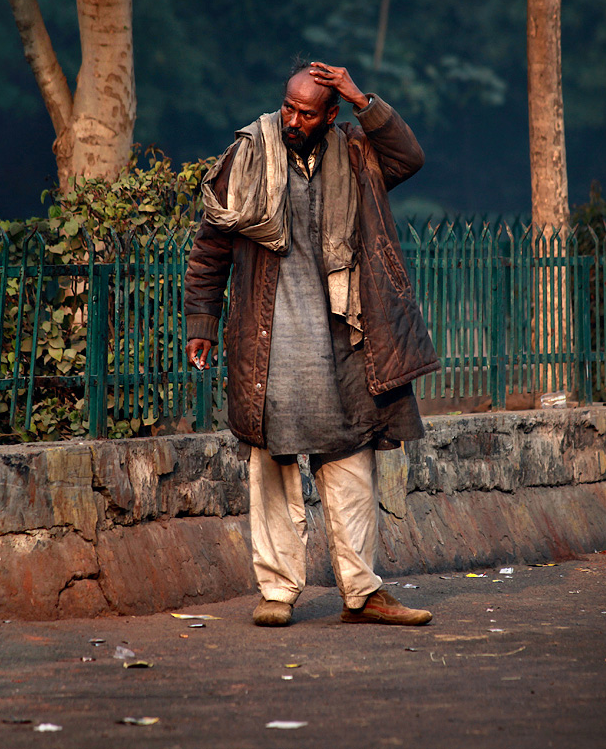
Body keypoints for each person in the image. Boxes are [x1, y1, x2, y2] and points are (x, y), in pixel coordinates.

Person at [183, 59, 440, 627]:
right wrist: (200, 324)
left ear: (329, 115)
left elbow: (409, 158)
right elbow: (209, 248)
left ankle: (363, 592)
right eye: (289, 108)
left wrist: (360, 98)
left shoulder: (356, 153)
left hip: (342, 343)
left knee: (351, 470)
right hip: (268, 345)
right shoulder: (246, 156)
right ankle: (277, 592)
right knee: (270, 474)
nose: (294, 119)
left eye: (307, 112)